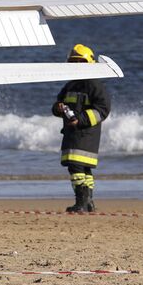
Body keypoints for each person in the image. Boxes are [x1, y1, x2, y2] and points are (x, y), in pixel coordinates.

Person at [52, 44, 112, 213]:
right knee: (83, 168)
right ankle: (88, 202)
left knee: (76, 167)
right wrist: (58, 108)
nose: (76, 66)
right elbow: (58, 103)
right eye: (73, 62)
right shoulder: (71, 85)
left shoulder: (94, 85)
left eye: (80, 62)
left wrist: (80, 120)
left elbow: (103, 109)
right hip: (73, 134)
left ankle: (81, 202)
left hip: (86, 134)